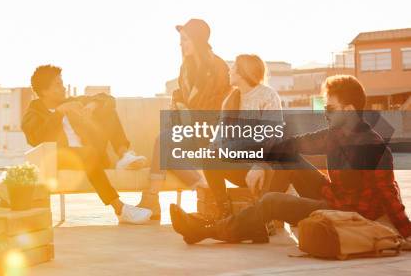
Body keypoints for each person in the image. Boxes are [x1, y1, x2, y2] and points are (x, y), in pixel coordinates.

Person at [170, 75, 411, 245]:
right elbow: (289, 144)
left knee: (272, 202)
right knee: (289, 158)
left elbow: (389, 193)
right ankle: (257, 224)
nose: (324, 113)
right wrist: (261, 163)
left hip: (345, 212)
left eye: (330, 108)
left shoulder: (373, 148)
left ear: (348, 110)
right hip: (332, 195)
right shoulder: (333, 135)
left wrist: (407, 232)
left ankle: (205, 231)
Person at [21, 64, 152, 224]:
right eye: (58, 84)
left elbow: (108, 99)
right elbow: (37, 138)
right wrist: (59, 112)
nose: (63, 88)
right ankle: (119, 208)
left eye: (62, 83)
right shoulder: (33, 113)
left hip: (91, 154)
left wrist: (93, 105)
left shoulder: (72, 102)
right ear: (44, 91)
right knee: (87, 153)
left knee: (107, 111)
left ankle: (124, 155)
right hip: (61, 158)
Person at [137, 19, 231, 219]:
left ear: (197, 40)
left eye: (185, 39)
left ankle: (152, 199)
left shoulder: (218, 67)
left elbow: (219, 104)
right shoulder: (185, 67)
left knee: (165, 145)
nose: (181, 44)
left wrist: (189, 112)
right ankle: (196, 188)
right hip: (190, 128)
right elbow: (182, 93)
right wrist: (178, 101)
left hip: (211, 133)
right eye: (181, 40)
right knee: (164, 144)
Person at [203, 54, 283, 219]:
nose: (229, 71)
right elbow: (220, 136)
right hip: (242, 167)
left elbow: (273, 137)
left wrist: (259, 165)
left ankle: (263, 214)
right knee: (209, 155)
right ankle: (223, 211)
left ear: (243, 72)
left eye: (233, 68)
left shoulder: (267, 96)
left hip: (266, 168)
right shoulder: (231, 100)